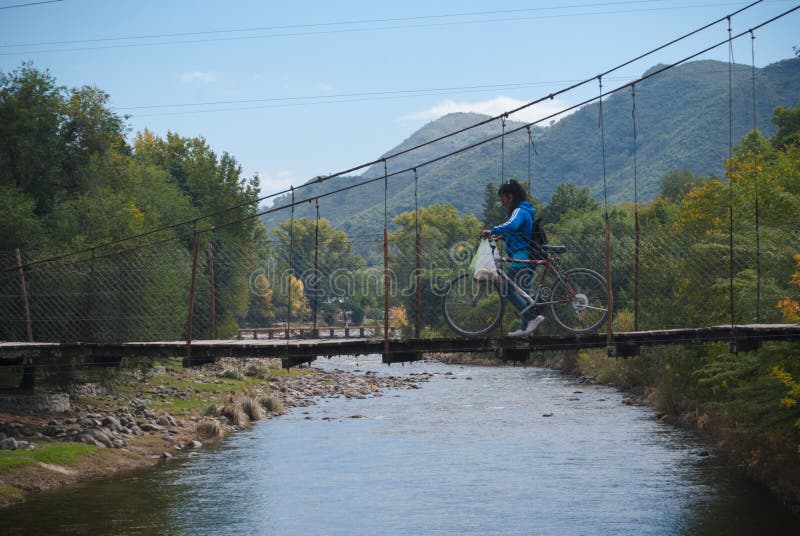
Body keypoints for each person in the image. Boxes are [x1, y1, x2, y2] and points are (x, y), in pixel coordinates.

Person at [481, 180, 545, 338]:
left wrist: (492, 230)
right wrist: (501, 236)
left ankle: (532, 317)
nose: (502, 203)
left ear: (510, 196)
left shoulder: (519, 210)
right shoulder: (525, 211)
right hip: (526, 258)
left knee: (505, 288)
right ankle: (525, 329)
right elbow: (518, 232)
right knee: (524, 295)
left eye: (502, 199)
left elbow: (513, 225)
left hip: (520, 258)